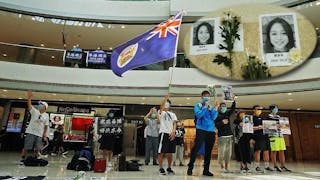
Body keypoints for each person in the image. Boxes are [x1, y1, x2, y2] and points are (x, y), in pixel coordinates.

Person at [187, 90, 219, 176]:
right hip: (201, 129)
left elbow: (214, 117)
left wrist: (215, 109)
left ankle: (206, 170)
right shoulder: (198, 105)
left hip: (211, 131)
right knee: (196, 148)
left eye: (208, 96)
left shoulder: (211, 107)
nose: (207, 97)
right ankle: (190, 168)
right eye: (205, 95)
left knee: (208, 151)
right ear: (202, 96)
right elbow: (199, 115)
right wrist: (205, 107)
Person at [21, 91, 49, 163]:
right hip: (31, 132)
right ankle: (23, 158)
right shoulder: (34, 111)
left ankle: (35, 159)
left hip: (39, 134)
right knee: (26, 146)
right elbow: (29, 105)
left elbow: (46, 126)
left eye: (41, 104)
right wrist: (29, 98)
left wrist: (44, 134)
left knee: (37, 148)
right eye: (39, 104)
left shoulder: (46, 115)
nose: (39, 105)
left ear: (45, 107)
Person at [157, 95, 178, 175]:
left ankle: (169, 167)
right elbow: (161, 107)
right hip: (163, 133)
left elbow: (175, 123)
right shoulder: (161, 112)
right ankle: (161, 168)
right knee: (161, 152)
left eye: (167, 103)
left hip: (171, 134)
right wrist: (165, 99)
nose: (166, 105)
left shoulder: (172, 114)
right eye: (165, 103)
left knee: (170, 152)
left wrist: (173, 132)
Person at [268, 104, 291, 172]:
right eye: (275, 108)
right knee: (274, 151)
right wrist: (276, 125)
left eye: (277, 108)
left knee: (282, 150)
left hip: (280, 135)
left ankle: (283, 166)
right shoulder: (268, 116)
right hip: (273, 135)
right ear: (272, 109)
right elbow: (268, 125)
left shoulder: (278, 116)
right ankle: (275, 166)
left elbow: (283, 125)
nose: (276, 109)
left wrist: (285, 126)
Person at [215, 98, 236, 173]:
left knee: (228, 153)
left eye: (225, 106)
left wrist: (233, 101)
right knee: (221, 153)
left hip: (229, 136)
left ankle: (227, 167)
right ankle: (221, 165)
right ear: (220, 107)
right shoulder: (217, 115)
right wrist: (222, 122)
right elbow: (215, 125)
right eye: (222, 106)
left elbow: (233, 109)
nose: (223, 107)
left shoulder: (227, 114)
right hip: (222, 137)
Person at [252, 105, 273, 173]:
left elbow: (268, 126)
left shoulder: (263, 118)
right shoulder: (251, 118)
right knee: (258, 151)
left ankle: (267, 166)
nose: (259, 110)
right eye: (257, 109)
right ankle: (257, 166)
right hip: (257, 136)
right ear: (254, 110)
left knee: (266, 151)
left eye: (260, 109)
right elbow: (249, 128)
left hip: (265, 136)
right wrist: (258, 127)